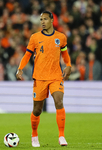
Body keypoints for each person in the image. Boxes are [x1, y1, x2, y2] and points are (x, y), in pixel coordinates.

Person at [16, 11, 71, 147]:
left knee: (59, 101)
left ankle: (61, 136)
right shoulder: (35, 37)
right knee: (37, 110)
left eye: (45, 19)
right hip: (39, 78)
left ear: (52, 20)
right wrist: (20, 68)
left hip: (56, 76)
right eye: (41, 19)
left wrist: (68, 65)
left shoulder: (61, 37)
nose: (42, 22)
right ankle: (34, 135)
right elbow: (27, 55)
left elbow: (65, 54)